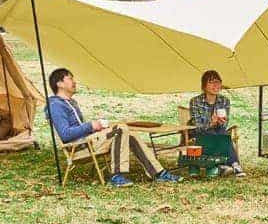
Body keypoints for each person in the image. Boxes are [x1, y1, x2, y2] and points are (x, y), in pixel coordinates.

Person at [45, 67, 181, 187]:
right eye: (70, 78)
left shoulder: (70, 102)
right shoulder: (56, 105)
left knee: (129, 133)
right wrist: (90, 126)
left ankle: (159, 173)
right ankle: (117, 175)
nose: (74, 82)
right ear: (60, 83)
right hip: (78, 148)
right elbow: (65, 134)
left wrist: (96, 127)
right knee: (120, 129)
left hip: (87, 142)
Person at [188, 69, 244, 177]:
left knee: (221, 131)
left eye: (218, 82)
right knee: (220, 134)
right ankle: (233, 163)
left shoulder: (224, 101)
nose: (216, 85)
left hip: (218, 131)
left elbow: (224, 124)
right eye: (211, 82)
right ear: (204, 86)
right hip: (200, 134)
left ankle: (223, 166)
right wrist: (210, 123)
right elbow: (197, 126)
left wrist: (219, 122)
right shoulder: (195, 101)